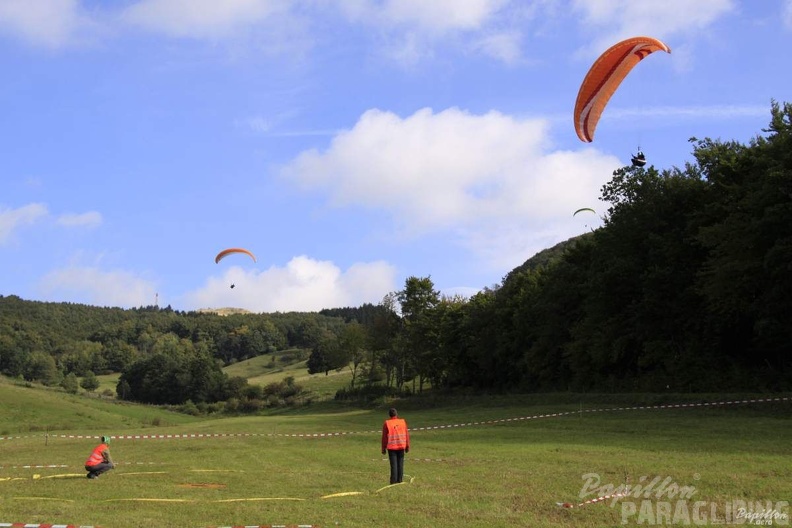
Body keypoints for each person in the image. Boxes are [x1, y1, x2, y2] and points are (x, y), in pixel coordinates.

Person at [381, 408, 410, 484]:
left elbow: (384, 437)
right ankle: (400, 480)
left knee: (394, 465)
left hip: (392, 447)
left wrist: (383, 448)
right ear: (396, 414)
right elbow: (407, 434)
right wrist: (407, 446)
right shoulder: (402, 422)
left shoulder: (387, 423)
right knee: (400, 464)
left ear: (389, 415)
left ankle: (393, 481)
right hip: (401, 446)